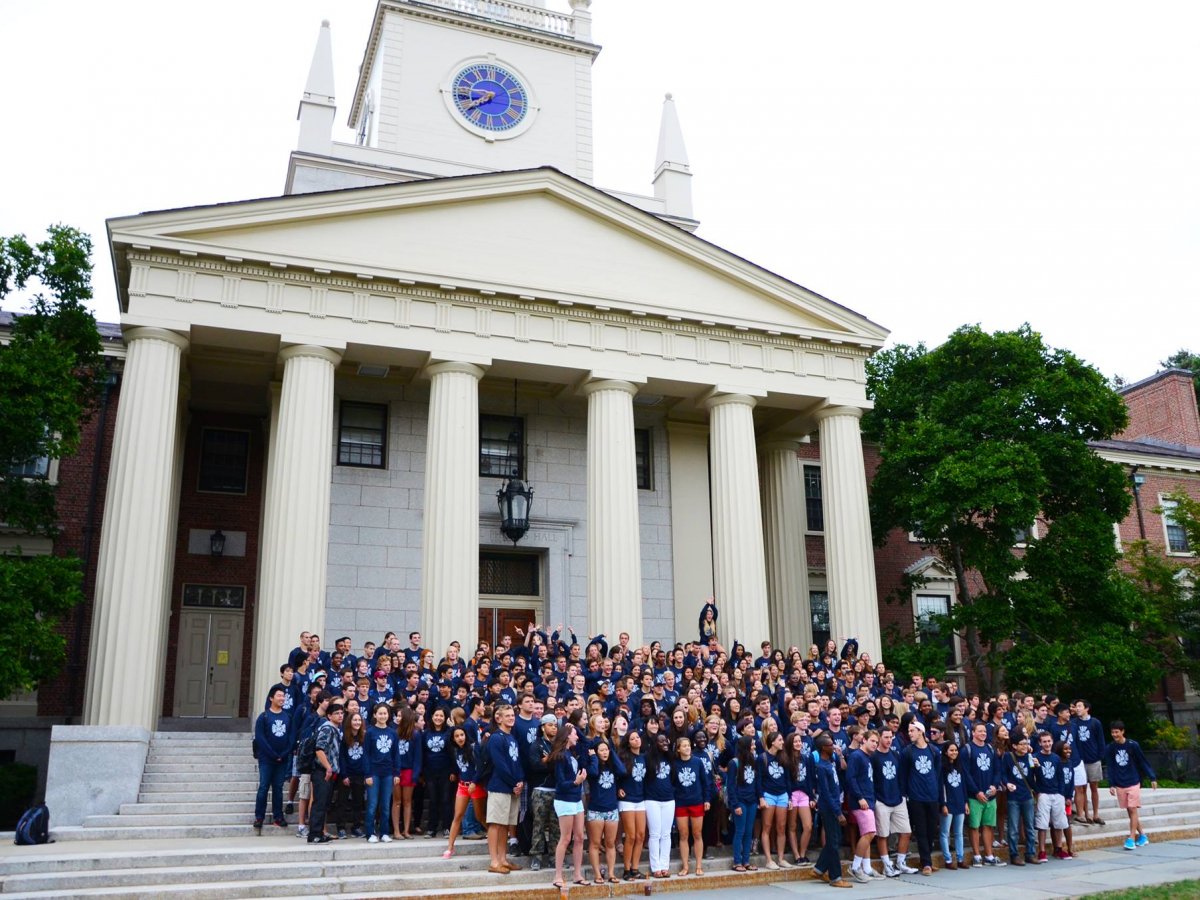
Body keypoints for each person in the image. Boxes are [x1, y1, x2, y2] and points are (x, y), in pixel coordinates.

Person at [484, 703, 526, 874]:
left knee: (505, 825)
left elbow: (516, 762)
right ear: (498, 718)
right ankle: (494, 861)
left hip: (512, 787)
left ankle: (503, 859)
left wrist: (520, 781)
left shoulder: (511, 737)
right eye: (507, 715)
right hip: (500, 787)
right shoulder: (496, 738)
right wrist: (513, 783)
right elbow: (500, 765)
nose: (511, 718)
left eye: (512, 715)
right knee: (496, 824)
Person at [871, 725, 916, 877]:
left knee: (906, 831)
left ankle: (901, 862)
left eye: (891, 737)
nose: (889, 740)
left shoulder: (896, 755)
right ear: (879, 738)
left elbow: (902, 776)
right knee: (883, 834)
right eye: (886, 737)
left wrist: (902, 794)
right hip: (881, 799)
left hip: (898, 798)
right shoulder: (873, 757)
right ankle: (886, 865)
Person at [549, 723, 588, 890]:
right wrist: (575, 782)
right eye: (574, 734)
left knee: (579, 837)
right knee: (565, 838)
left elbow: (586, 743)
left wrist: (576, 728)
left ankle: (577, 874)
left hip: (576, 799)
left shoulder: (572, 753)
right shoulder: (559, 756)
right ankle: (558, 875)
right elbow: (560, 783)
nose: (577, 737)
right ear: (566, 736)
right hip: (564, 799)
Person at [811, 734, 853, 888]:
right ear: (823, 748)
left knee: (834, 840)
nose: (834, 747)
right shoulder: (821, 767)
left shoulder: (831, 761)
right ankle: (835, 877)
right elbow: (826, 793)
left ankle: (819, 868)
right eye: (830, 745)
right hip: (829, 808)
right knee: (834, 843)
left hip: (835, 804)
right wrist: (838, 812)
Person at [964, 721, 1006, 867]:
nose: (983, 734)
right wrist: (976, 791)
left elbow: (997, 770)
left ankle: (989, 855)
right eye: (980, 731)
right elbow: (966, 773)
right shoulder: (967, 749)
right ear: (973, 732)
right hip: (974, 796)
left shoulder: (990, 748)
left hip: (990, 795)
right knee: (974, 826)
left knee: (988, 825)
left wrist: (995, 785)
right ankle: (976, 855)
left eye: (984, 731)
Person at [253, 686, 294, 833]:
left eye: (283, 696)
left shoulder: (288, 717)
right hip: (266, 759)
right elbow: (260, 739)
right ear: (271, 698)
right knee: (264, 787)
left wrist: (283, 754)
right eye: (279, 696)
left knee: (278, 788)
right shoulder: (263, 717)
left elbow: (291, 738)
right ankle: (259, 817)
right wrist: (273, 754)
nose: (282, 698)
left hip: (282, 759)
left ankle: (278, 816)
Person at [901, 720, 940, 875]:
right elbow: (903, 775)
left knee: (932, 830)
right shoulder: (907, 751)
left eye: (912, 730)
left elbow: (937, 773)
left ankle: (927, 858)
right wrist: (905, 795)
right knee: (921, 830)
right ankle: (926, 863)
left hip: (932, 795)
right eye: (909, 731)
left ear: (920, 731)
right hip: (916, 796)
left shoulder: (934, 750)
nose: (910, 733)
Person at [586, 738, 626, 884]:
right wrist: (593, 757)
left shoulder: (613, 765)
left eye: (606, 750)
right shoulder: (592, 765)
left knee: (610, 843)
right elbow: (594, 773)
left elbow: (622, 771)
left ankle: (610, 873)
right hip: (596, 809)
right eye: (601, 750)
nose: (604, 752)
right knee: (595, 843)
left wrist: (612, 752)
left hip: (611, 808)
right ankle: (597, 874)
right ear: (596, 752)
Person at [672, 735, 710, 877]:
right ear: (678, 749)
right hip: (681, 802)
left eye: (688, 745)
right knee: (683, 834)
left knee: (697, 833)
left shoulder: (697, 762)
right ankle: (685, 866)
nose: (687, 748)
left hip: (696, 800)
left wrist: (707, 799)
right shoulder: (674, 764)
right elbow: (673, 783)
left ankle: (699, 865)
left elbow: (705, 782)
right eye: (684, 746)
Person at [526, 714, 560, 872]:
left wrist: (548, 760)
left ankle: (554, 857)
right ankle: (536, 857)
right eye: (550, 725)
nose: (554, 727)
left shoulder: (559, 745)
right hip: (540, 789)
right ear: (543, 727)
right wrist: (547, 763)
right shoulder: (536, 745)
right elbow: (534, 766)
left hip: (557, 790)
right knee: (538, 824)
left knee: (556, 826)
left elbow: (560, 766)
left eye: (555, 725)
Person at [846, 729, 881, 881]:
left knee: (867, 833)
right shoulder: (856, 756)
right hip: (860, 801)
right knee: (869, 833)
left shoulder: (867, 757)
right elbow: (851, 778)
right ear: (864, 740)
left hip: (869, 799)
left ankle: (866, 867)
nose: (875, 744)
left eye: (876, 742)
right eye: (872, 741)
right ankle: (855, 867)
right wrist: (859, 797)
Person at [308, 701, 345, 843]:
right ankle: (315, 834)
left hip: (328, 771)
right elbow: (319, 749)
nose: (340, 715)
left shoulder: (335, 728)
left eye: (342, 713)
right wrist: (328, 767)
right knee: (319, 803)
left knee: (323, 803)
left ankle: (318, 833)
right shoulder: (327, 728)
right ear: (329, 716)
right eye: (337, 713)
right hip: (322, 771)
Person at [444, 724, 483, 859]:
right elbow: (460, 767)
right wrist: (454, 773)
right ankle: (450, 848)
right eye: (456, 736)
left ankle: (496, 838)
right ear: (453, 739)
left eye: (462, 735)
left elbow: (480, 767)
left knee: (480, 817)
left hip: (475, 786)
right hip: (462, 786)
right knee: (458, 816)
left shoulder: (473, 748)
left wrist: (474, 782)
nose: (460, 738)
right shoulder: (455, 750)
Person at [757, 729, 793, 871]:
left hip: (783, 794)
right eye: (780, 740)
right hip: (768, 794)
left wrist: (789, 796)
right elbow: (758, 779)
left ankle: (781, 858)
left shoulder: (784, 757)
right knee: (767, 827)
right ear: (772, 742)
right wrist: (760, 797)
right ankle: (768, 859)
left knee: (781, 827)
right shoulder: (762, 758)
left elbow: (788, 779)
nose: (782, 742)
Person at [364, 702, 398, 843]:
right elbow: (365, 754)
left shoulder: (392, 732)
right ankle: (370, 833)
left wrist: (396, 773)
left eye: (385, 713)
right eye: (380, 713)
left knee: (385, 805)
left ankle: (384, 832)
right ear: (375, 715)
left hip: (388, 773)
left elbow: (396, 754)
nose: (383, 716)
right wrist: (367, 774)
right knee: (372, 805)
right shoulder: (370, 732)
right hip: (374, 773)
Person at [616, 729, 648, 880]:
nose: (637, 740)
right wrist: (618, 788)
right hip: (627, 799)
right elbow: (615, 775)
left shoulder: (643, 758)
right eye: (633, 739)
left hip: (640, 798)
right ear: (628, 743)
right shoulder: (623, 757)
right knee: (631, 835)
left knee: (641, 835)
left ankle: (635, 868)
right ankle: (626, 869)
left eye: (638, 737)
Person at [1002, 731, 1037, 865]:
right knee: (1013, 828)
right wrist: (1007, 783)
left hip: (1027, 794)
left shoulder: (1029, 757)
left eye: (1026, 744)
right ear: (1015, 746)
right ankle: (1014, 854)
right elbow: (1003, 773)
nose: (1025, 746)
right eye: (1022, 744)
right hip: (1013, 796)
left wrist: (1037, 766)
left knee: (1030, 826)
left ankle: (1031, 853)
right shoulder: (1008, 757)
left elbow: (1033, 776)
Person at [644, 732, 676, 879]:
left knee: (666, 834)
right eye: (661, 741)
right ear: (655, 743)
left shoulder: (670, 758)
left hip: (669, 799)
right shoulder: (648, 758)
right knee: (655, 834)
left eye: (666, 741)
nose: (664, 743)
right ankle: (655, 867)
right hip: (652, 800)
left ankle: (665, 865)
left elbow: (674, 778)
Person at [728, 734, 761, 873]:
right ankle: (737, 861)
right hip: (740, 801)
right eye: (752, 744)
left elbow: (756, 782)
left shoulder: (754, 760)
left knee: (749, 832)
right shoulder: (734, 763)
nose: (754, 747)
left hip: (752, 801)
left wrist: (758, 798)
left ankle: (746, 861)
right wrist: (735, 805)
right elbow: (730, 786)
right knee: (740, 831)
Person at [1071, 699, 1106, 826]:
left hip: (1093, 759)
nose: (1077, 708)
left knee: (1094, 788)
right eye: (1076, 706)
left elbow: (1100, 739)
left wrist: (1100, 755)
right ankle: (1086, 814)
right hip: (1080, 760)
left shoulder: (1095, 723)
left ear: (1087, 708)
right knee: (1082, 788)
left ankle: (1096, 814)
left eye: (1080, 706)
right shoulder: (1074, 723)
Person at [336, 710, 368, 839]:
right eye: (354, 720)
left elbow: (367, 757)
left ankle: (356, 827)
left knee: (358, 802)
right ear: (349, 722)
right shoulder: (344, 738)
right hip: (347, 774)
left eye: (359, 720)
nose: (357, 722)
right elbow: (341, 757)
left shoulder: (365, 737)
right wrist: (344, 775)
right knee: (342, 802)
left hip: (360, 775)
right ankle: (341, 827)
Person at [939, 740, 968, 869]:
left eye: (956, 750)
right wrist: (943, 804)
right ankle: (948, 859)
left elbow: (963, 786)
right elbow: (941, 787)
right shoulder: (942, 767)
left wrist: (966, 802)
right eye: (951, 750)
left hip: (960, 802)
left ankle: (960, 858)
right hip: (948, 803)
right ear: (945, 752)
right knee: (945, 833)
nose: (954, 752)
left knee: (958, 833)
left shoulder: (959, 766)